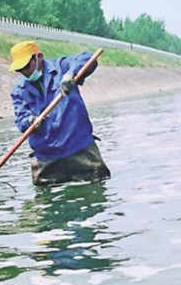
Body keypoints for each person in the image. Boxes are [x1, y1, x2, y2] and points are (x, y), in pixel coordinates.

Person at [9, 40, 110, 185]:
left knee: (96, 192)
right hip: (46, 159)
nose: (25, 72)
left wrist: (71, 74)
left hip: (80, 149)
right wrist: (30, 121)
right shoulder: (19, 91)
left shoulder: (62, 67)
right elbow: (21, 121)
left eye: (26, 66)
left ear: (39, 57)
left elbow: (88, 57)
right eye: (20, 69)